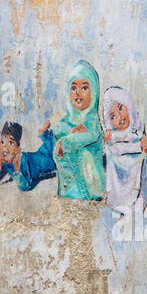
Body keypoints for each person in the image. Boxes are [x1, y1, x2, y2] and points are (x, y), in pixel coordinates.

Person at [52, 60, 105, 201]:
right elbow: (59, 137)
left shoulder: (92, 122)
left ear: (94, 92)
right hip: (68, 195)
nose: (78, 92)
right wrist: (69, 136)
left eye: (85, 88)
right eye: (73, 87)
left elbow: (90, 136)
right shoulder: (64, 125)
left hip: (90, 196)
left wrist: (68, 141)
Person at [101, 86, 147, 207]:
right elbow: (118, 149)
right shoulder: (112, 137)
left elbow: (135, 137)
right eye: (112, 116)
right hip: (118, 182)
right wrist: (138, 147)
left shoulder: (137, 130)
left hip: (135, 180)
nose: (119, 117)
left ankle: (140, 198)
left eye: (121, 108)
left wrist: (143, 141)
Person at [0, 121, 57, 191]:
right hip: (39, 155)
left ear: (17, 149)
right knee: (47, 147)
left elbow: (25, 186)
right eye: (2, 142)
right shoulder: (5, 161)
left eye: (10, 143)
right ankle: (44, 134)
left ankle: (44, 134)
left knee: (50, 148)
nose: (5, 147)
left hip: (46, 160)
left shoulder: (21, 160)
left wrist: (16, 169)